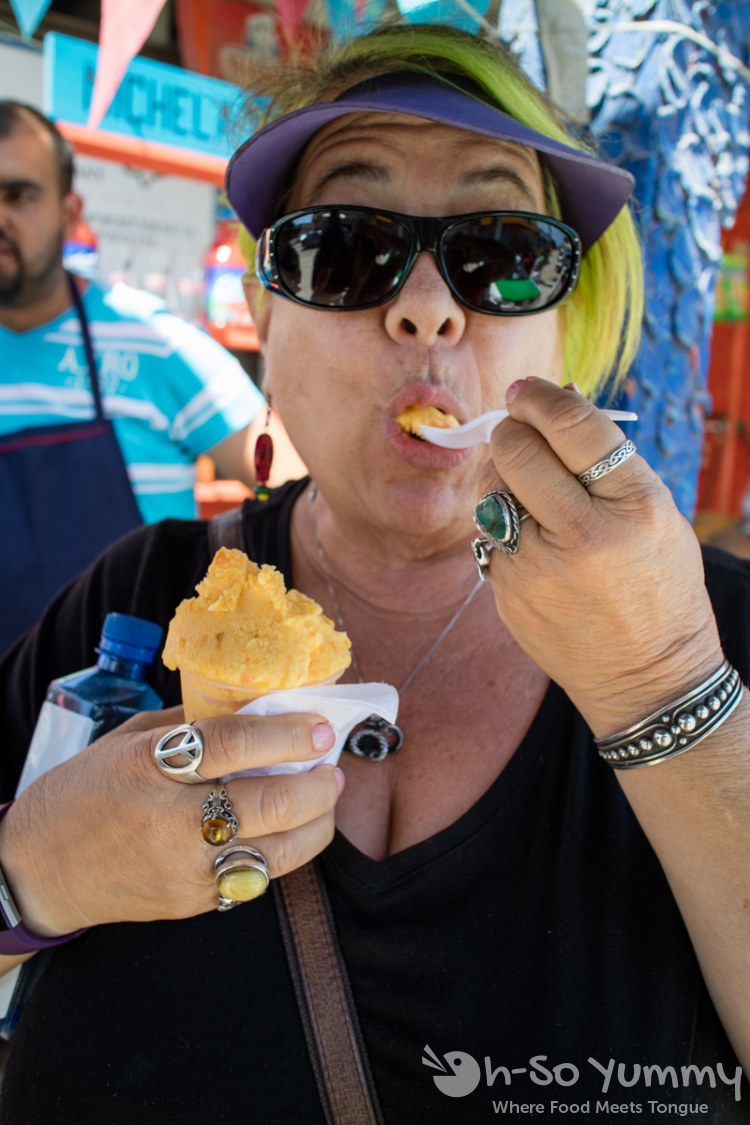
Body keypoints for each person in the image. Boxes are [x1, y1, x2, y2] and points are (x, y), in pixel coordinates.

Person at [0, 23, 747, 1124]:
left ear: (563, 327)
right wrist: (24, 884)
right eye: (342, 247)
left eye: (501, 251)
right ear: (264, 318)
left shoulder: (714, 633)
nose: (430, 305)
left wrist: (667, 688)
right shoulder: (126, 611)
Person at [0, 101, 304, 652]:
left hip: (127, 707)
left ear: (70, 213)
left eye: (18, 195)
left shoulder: (155, 342)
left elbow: (290, 482)